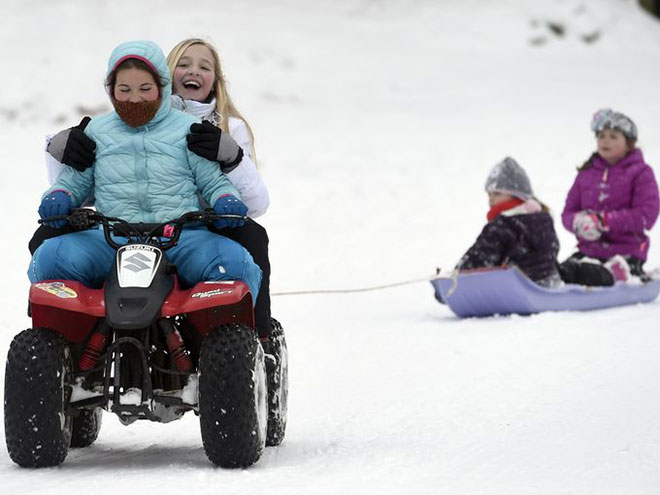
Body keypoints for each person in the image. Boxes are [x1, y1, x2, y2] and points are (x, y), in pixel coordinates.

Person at [31, 38, 276, 341]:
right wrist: (59, 194)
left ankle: (236, 342)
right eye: (124, 90)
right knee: (50, 254)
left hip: (182, 235)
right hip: (113, 235)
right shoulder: (98, 131)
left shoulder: (199, 130)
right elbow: (76, 180)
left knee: (237, 258)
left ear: (159, 86)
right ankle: (66, 345)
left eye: (144, 90)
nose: (134, 99)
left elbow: (220, 184)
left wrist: (228, 191)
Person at [559, 108, 659, 286]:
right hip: (590, 251)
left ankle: (619, 275)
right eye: (601, 136)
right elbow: (568, 212)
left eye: (613, 136)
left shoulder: (641, 172)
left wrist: (604, 221)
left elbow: (646, 216)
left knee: (593, 274)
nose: (605, 141)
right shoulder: (587, 173)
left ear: (629, 142)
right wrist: (578, 222)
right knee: (564, 270)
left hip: (626, 253)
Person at [455, 157, 561, 288]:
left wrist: (455, 279)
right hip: (545, 282)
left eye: (497, 193)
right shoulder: (542, 218)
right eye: (489, 195)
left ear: (517, 195)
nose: (491, 199)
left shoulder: (501, 225)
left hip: (512, 286)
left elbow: (480, 257)